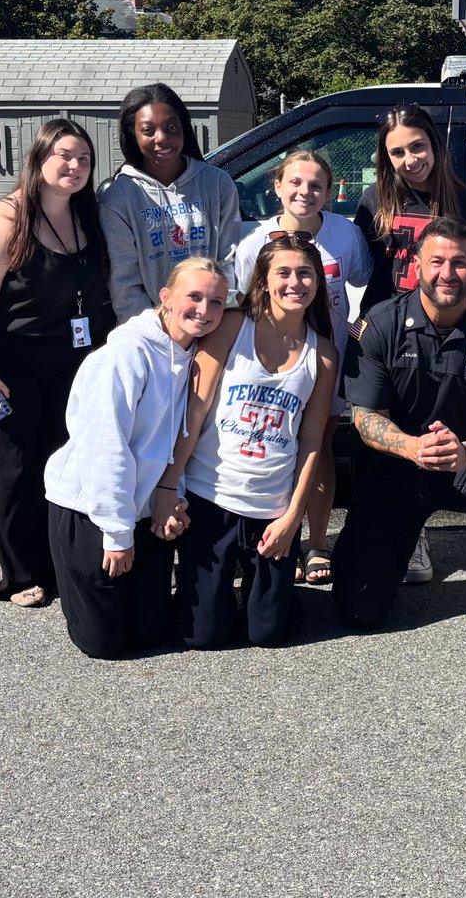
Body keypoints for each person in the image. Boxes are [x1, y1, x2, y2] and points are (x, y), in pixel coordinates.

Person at [334, 217, 466, 650]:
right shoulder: (379, 325)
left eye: (460, 263)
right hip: (400, 467)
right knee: (359, 611)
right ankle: (383, 551)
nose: (448, 273)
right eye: (438, 262)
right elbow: (366, 416)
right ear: (417, 264)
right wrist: (412, 447)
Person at [156, 234, 337, 650]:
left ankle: (273, 596)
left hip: (270, 508)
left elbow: (311, 443)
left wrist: (294, 520)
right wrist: (168, 486)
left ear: (318, 283)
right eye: (284, 273)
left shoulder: (322, 355)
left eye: (305, 273)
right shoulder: (234, 325)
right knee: (203, 637)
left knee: (268, 634)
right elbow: (194, 412)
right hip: (211, 498)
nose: (296, 282)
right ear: (264, 280)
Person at [44, 258, 228, 658]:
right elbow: (104, 448)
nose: (205, 310)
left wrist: (173, 496)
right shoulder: (127, 354)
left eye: (216, 302)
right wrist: (117, 534)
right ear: (165, 298)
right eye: (193, 297)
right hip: (91, 506)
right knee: (104, 644)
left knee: (151, 632)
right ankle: (76, 580)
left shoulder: (196, 357)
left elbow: (175, 439)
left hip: (146, 509)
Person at [0, 119, 114, 608]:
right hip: (11, 369)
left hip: (72, 368)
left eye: (85, 159)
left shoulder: (86, 216)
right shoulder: (6, 218)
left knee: (62, 464)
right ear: (40, 158)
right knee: (12, 471)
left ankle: (58, 561)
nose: (74, 167)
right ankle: (20, 573)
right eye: (65, 156)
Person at [354, 104, 466, 585]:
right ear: (385, 158)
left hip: (445, 330)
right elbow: (366, 271)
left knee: (436, 425)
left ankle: (423, 526)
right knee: (384, 432)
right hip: (389, 332)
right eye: (397, 152)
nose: (411, 159)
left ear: (433, 144)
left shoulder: (461, 203)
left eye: (417, 147)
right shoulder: (374, 201)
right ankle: (398, 535)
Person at [235, 150, 371, 587]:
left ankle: (315, 542)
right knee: (278, 447)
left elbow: (365, 287)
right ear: (277, 186)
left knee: (321, 448)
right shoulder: (255, 242)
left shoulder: (345, 235)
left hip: (325, 361)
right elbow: (244, 303)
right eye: (295, 183)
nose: (304, 193)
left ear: (329, 193)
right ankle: (277, 535)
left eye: (315, 186)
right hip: (273, 364)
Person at [99, 82, 241, 323]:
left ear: (184, 128)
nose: (162, 138)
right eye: (148, 130)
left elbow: (230, 260)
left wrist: (219, 319)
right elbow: (125, 284)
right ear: (133, 135)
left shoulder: (217, 184)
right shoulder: (119, 198)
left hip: (214, 325)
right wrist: (157, 333)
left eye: (171, 127)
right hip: (153, 334)